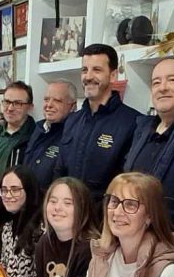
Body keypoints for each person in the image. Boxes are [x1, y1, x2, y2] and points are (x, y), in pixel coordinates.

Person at [54, 43, 141, 203]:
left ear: (113, 75)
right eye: (84, 70)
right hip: (70, 217)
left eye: (97, 70)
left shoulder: (133, 122)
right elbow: (60, 172)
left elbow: (127, 184)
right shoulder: (72, 120)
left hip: (105, 221)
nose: (88, 77)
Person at [123, 58, 174, 222]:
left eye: (172, 80)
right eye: (156, 82)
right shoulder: (142, 130)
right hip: (136, 233)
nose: (163, 88)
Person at [34, 177, 99, 277]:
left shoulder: (89, 250)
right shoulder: (45, 241)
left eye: (68, 203)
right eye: (53, 201)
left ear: (82, 209)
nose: (57, 207)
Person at [25, 79, 78, 193]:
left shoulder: (74, 134)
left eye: (57, 100)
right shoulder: (38, 128)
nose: (49, 105)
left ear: (73, 106)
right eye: (46, 99)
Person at [0, 165, 43, 277]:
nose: (8, 195)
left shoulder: (41, 229)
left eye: (15, 189)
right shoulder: (7, 225)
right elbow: (3, 266)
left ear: (29, 190)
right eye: (4, 190)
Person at [0, 81, 36, 176]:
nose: (10, 108)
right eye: (7, 102)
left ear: (30, 107)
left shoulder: (36, 139)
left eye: (18, 103)